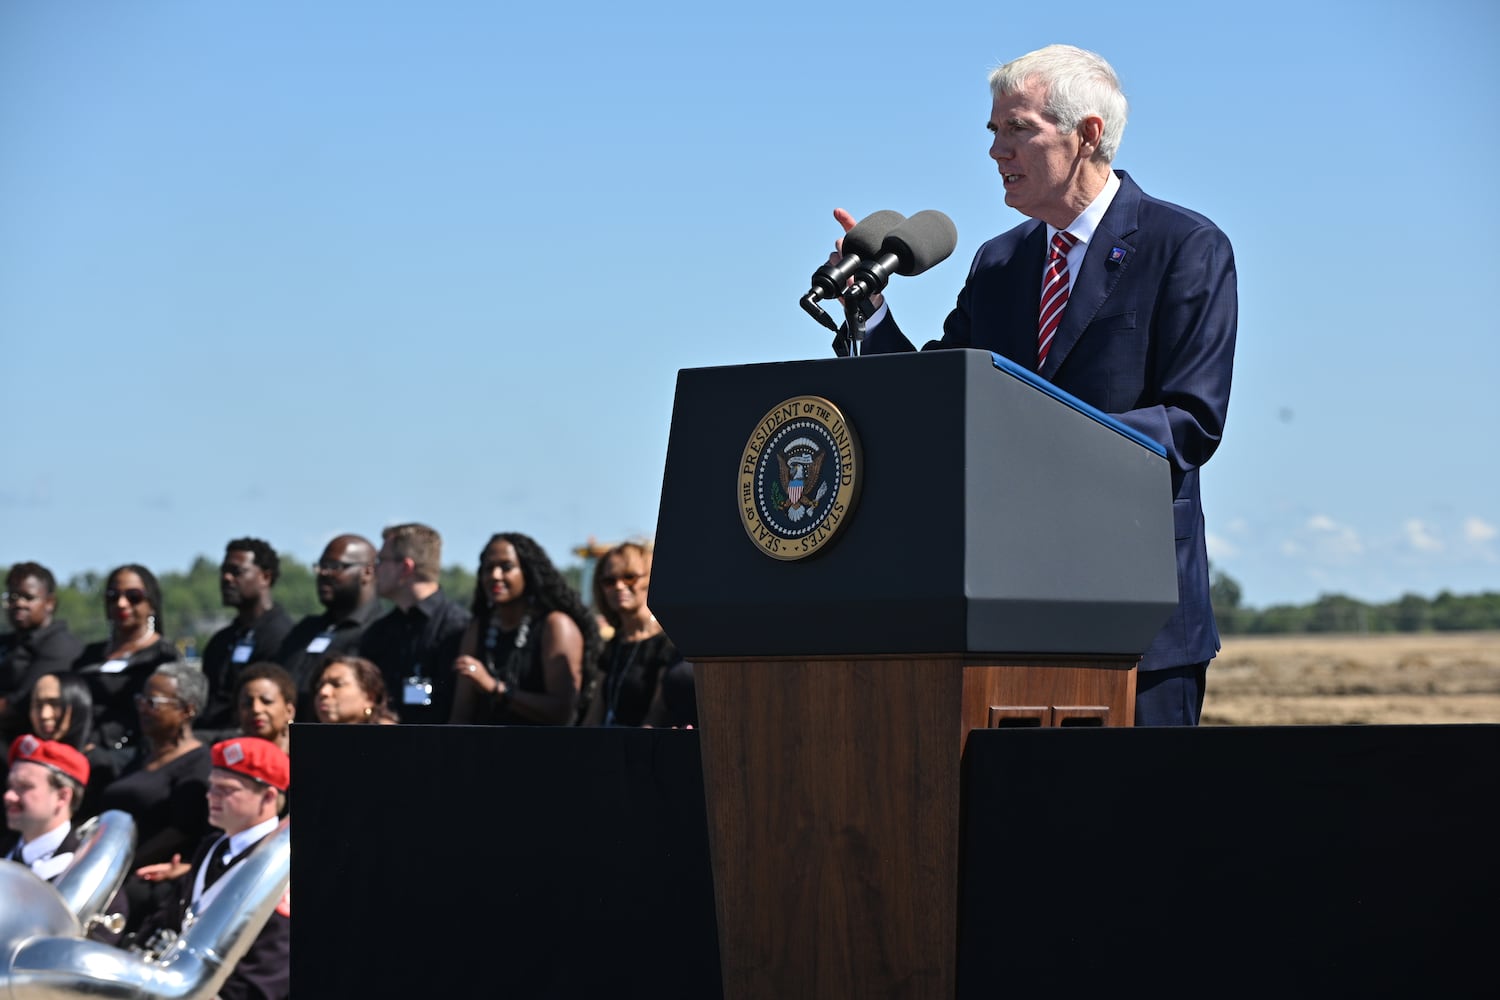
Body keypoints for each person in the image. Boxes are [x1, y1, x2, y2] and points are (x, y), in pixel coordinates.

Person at [833, 44, 1236, 726]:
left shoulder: (1185, 245)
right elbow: (936, 400)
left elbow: (1189, 422)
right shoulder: (1000, 263)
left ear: (1088, 135)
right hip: (1009, 616)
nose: (996, 150)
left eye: (1017, 129)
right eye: (993, 131)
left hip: (1139, 622)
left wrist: (1037, 430)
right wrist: (869, 311)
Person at [134, 736, 290, 1000]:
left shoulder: (279, 865)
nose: (210, 796)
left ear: (268, 797)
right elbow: (172, 916)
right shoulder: (212, 848)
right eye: (212, 787)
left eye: (226, 790)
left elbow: (269, 963)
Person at [450, 533, 600, 726]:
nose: (495, 575)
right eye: (488, 568)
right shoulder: (478, 629)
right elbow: (460, 716)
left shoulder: (555, 626)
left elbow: (564, 712)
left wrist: (495, 688)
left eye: (506, 567)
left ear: (527, 572)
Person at [97, 663, 212, 870]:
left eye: (153, 703)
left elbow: (180, 831)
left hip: (141, 875)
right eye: (140, 701)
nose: (143, 709)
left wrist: (122, 865)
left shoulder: (198, 764)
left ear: (186, 710)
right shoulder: (142, 757)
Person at [358, 523, 472, 725]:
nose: (373, 569)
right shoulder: (378, 632)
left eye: (381, 560)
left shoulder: (458, 628)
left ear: (405, 568)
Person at [73, 564, 180, 755]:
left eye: (133, 596)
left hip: (133, 754)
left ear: (151, 604)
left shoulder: (164, 657)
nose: (122, 604)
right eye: (113, 596)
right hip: (81, 748)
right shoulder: (88, 655)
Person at [275, 534, 382, 719]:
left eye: (335, 567)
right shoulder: (305, 630)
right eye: (321, 566)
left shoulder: (381, 632)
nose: (323, 573)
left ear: (368, 572)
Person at [583, 541, 689, 727]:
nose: (618, 586)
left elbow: (657, 714)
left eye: (629, 577)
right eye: (609, 581)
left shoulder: (668, 642)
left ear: (652, 579)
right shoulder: (614, 644)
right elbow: (594, 714)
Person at [198, 539, 294, 742]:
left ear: (265, 577)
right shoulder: (221, 641)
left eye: (236, 572)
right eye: (224, 571)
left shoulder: (283, 637)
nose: (226, 578)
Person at [1, 562, 85, 742]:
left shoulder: (59, 645)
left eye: (28, 597)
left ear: (50, 602)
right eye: (13, 597)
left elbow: (19, 706)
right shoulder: (8, 642)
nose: (19, 604)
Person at [312, 654, 398, 725]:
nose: (323, 692)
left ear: (370, 698)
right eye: (319, 686)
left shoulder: (392, 739)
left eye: (337, 684)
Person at [236, 662, 297, 754]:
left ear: (289, 711)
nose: (256, 709)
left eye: (266, 701)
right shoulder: (224, 758)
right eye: (247, 704)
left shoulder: (306, 756)